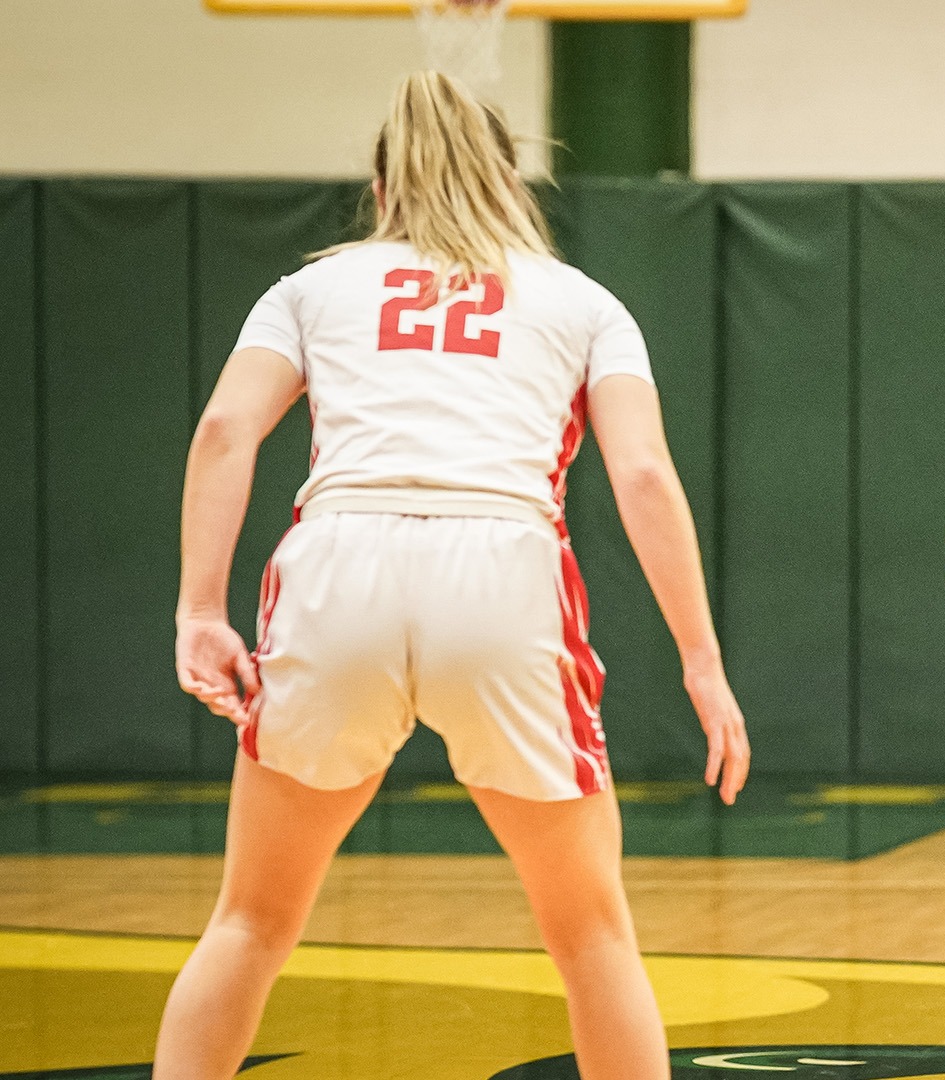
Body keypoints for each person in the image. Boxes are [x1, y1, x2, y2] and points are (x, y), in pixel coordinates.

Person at [159, 71, 748, 1080]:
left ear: (381, 190)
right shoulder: (584, 303)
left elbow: (224, 430)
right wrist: (702, 660)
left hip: (340, 563)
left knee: (252, 921)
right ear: (513, 181)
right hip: (502, 574)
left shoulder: (309, 288)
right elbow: (643, 474)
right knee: (593, 937)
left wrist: (199, 610)